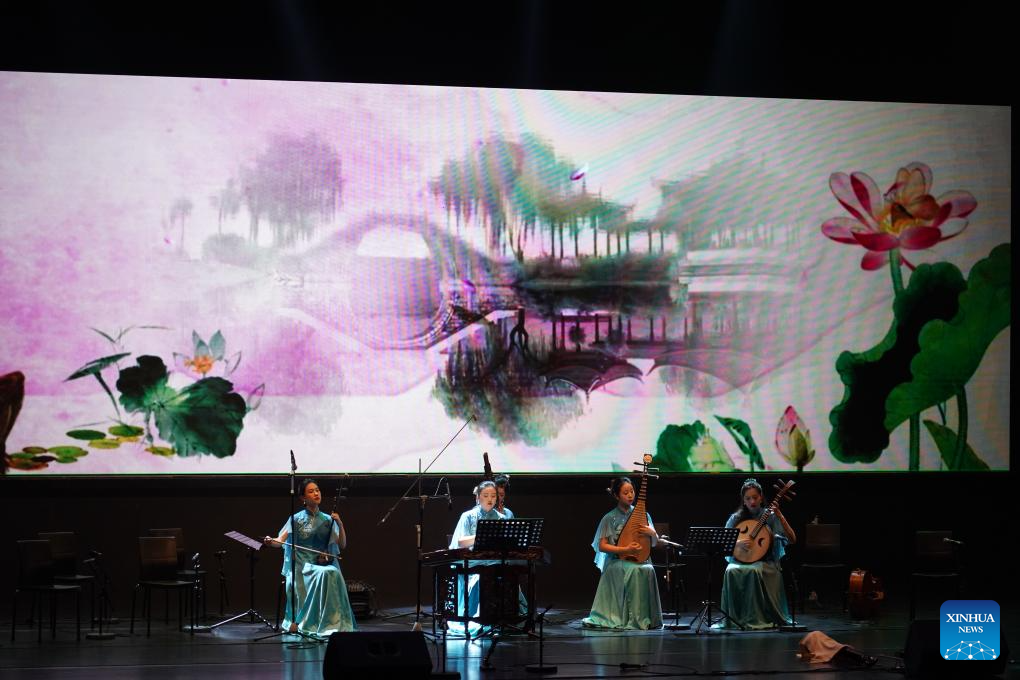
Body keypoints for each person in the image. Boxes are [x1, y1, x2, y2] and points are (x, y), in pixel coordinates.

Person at [263, 478, 356, 638]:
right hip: (301, 566)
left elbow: (342, 544)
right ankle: (309, 622)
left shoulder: (328, 519)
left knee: (332, 571)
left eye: (317, 490)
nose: (316, 493)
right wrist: (270, 541)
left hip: (320, 565)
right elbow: (280, 541)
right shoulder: (296, 518)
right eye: (311, 491)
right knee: (328, 573)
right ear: (303, 498)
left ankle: (331, 622)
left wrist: (340, 523)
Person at [713, 478, 796, 630]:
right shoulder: (736, 518)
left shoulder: (770, 516)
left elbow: (792, 539)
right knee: (730, 570)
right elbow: (723, 543)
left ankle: (757, 618)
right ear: (743, 501)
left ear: (761, 498)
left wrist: (780, 515)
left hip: (766, 561)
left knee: (754, 571)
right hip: (740, 560)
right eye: (748, 498)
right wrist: (737, 543)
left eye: (755, 497)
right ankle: (734, 617)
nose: (752, 501)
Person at [582, 477, 663, 630]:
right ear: (616, 496)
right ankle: (631, 618)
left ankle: (646, 618)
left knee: (648, 568)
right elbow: (602, 546)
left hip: (639, 559)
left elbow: (653, 542)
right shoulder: (609, 517)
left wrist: (653, 533)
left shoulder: (644, 515)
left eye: (632, 491)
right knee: (635, 570)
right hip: (616, 561)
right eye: (625, 492)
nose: (630, 495)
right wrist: (625, 550)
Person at [447, 480, 526, 635]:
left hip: (496, 562)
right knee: (483, 576)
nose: (490, 499)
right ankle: (480, 618)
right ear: (478, 497)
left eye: (493, 496)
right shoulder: (468, 516)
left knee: (508, 575)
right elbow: (460, 542)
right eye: (485, 495)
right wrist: (481, 536)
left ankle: (508, 617)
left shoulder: (502, 518)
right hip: (474, 564)